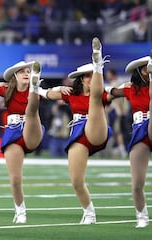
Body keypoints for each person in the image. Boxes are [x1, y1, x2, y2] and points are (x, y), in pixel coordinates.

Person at [0, 60, 71, 223]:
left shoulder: (36, 91)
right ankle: (20, 211)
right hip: (13, 132)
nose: (26, 73)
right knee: (15, 179)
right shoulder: (7, 90)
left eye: (28, 71)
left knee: (32, 109)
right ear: (14, 76)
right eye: (22, 71)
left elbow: (51, 93)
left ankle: (35, 89)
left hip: (32, 130)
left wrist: (62, 89)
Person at [40, 37, 113, 224]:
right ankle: (89, 212)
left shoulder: (102, 93)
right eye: (87, 76)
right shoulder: (72, 95)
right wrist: (56, 87)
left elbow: (117, 92)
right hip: (79, 135)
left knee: (95, 99)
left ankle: (98, 62)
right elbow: (45, 94)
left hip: (97, 130)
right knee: (76, 180)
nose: (90, 79)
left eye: (92, 75)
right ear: (81, 79)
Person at [107, 48, 152, 228]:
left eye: (150, 68)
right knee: (136, 183)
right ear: (139, 71)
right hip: (140, 132)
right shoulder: (130, 89)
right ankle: (142, 215)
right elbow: (107, 92)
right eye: (146, 69)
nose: (146, 71)